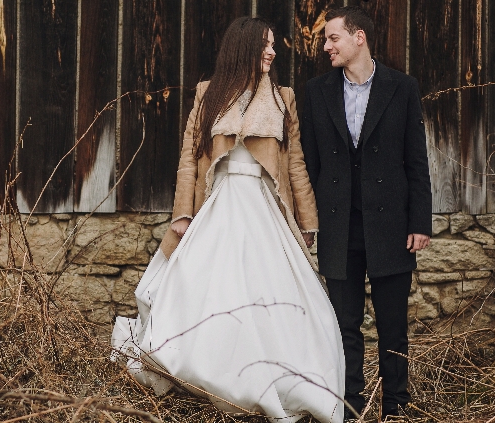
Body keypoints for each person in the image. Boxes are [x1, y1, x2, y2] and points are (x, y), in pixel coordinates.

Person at [112, 17, 345, 423]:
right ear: (243, 49)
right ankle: (209, 377)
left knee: (274, 296)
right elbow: (189, 158)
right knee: (206, 288)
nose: (273, 52)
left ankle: (271, 379)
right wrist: (182, 215)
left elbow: (295, 164)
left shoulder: (282, 96)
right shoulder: (208, 94)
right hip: (217, 204)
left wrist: (307, 222)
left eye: (273, 45)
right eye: (264, 46)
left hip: (264, 207)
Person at [300, 6, 432, 421]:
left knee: (393, 328)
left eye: (333, 38)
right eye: (326, 39)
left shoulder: (402, 87)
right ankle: (350, 408)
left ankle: (395, 407)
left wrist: (419, 222)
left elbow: (416, 161)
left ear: (359, 38)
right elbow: (310, 164)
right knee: (345, 328)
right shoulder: (315, 92)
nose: (326, 46)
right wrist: (309, 222)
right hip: (339, 227)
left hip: (392, 227)